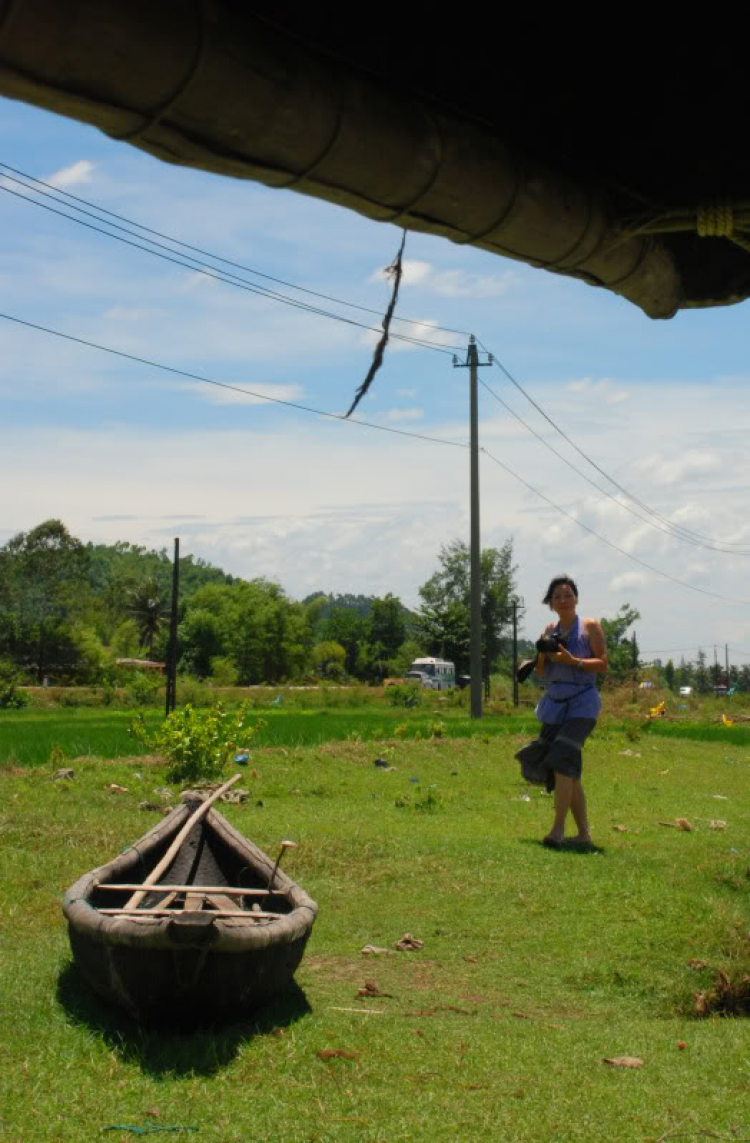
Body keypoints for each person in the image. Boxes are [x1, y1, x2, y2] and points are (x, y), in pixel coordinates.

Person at [515, 574, 607, 848]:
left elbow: (602, 664)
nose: (563, 600)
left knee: (560, 759)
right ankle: (584, 835)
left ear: (576, 598)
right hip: (555, 704)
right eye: (557, 597)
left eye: (568, 595)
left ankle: (557, 830)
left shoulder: (590, 627)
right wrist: (543, 655)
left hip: (583, 703)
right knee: (570, 770)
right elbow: (542, 672)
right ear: (550, 603)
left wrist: (572, 660)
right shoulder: (549, 630)